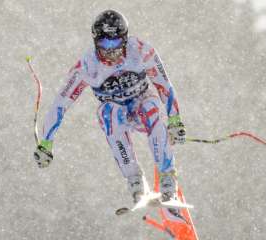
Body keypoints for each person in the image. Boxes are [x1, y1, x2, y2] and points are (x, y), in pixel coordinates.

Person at [33, 10, 186, 219]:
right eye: (105, 46)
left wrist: (175, 119)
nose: (111, 53)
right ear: (96, 43)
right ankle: (135, 181)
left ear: (125, 40)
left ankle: (168, 179)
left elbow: (164, 85)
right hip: (117, 113)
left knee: (150, 107)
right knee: (108, 112)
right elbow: (60, 103)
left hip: (142, 105)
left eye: (116, 45)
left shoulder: (141, 51)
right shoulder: (87, 65)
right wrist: (46, 142)